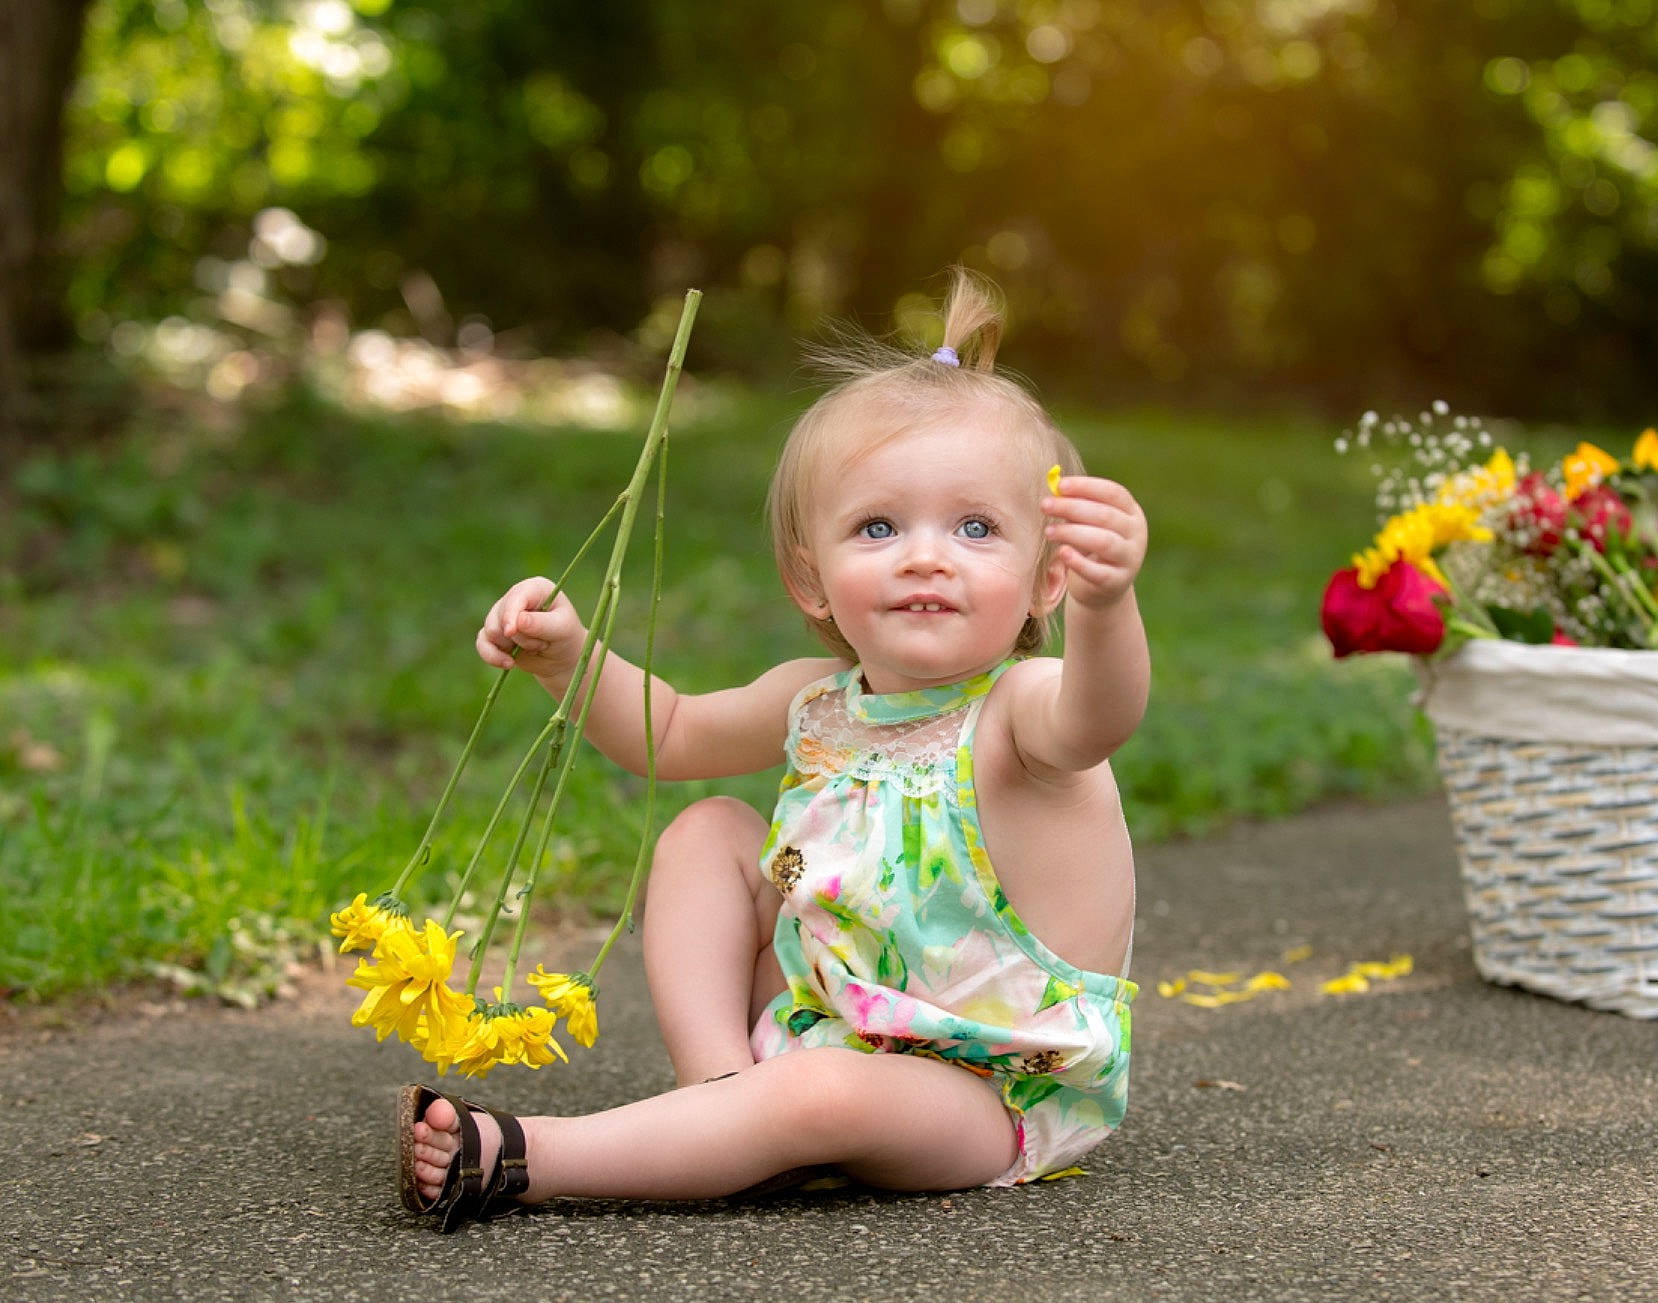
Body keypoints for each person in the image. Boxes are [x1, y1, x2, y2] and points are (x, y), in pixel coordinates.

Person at [398, 268, 1151, 1231]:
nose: (927, 555)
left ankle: (527, 1155)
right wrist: (569, 660)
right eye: (878, 526)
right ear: (812, 578)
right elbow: (666, 732)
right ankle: (717, 1090)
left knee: (823, 1096)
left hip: (985, 1090)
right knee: (709, 828)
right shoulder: (814, 700)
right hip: (826, 1016)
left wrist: (1109, 603)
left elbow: (1105, 713)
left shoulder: (1026, 709)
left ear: (1048, 576)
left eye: (976, 527)